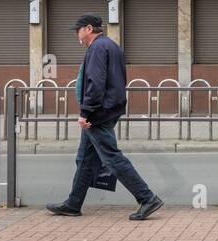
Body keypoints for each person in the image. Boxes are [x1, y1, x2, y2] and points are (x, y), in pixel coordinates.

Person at [47, 14, 163, 221]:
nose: (76, 34)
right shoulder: (110, 45)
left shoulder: (98, 48)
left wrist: (86, 112)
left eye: (78, 30)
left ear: (89, 28)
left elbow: (95, 82)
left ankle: (147, 198)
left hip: (98, 114)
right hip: (107, 109)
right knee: (84, 159)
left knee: (112, 157)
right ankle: (73, 203)